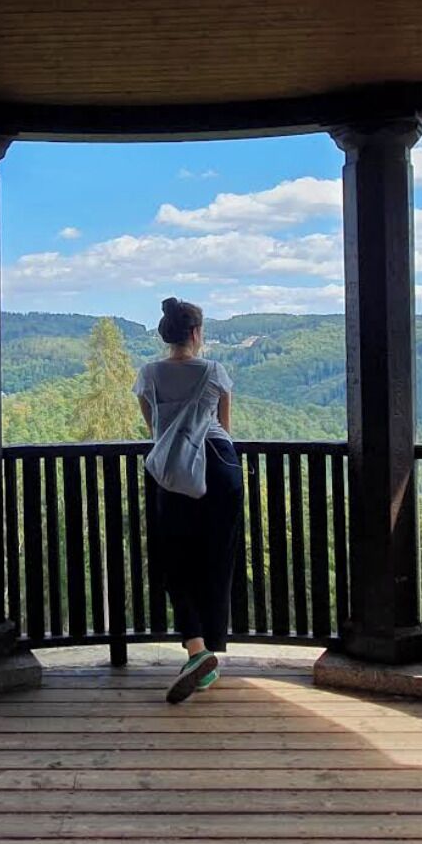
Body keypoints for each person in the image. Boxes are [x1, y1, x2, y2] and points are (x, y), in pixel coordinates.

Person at [133, 296, 243, 704]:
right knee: (217, 559)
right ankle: (207, 653)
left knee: (172, 561)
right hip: (219, 466)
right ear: (196, 332)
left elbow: (155, 429)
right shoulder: (215, 371)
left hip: (173, 473)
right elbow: (225, 428)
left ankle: (197, 650)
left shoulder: (148, 375)